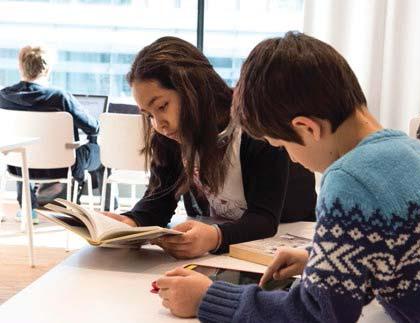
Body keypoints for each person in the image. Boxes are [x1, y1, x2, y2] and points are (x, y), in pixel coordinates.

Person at [155, 32, 420, 322]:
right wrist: (323, 258)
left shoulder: (349, 179)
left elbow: (315, 313)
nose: (287, 155)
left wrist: (207, 299)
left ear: (307, 128)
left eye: (282, 145)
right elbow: (404, 251)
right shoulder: (417, 151)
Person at [100, 36, 316, 258]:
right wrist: (131, 222)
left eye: (162, 106)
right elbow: (160, 198)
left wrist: (214, 237)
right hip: (227, 246)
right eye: (149, 115)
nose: (158, 124)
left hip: (290, 242)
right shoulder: (173, 135)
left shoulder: (254, 125)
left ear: (191, 88)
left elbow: (264, 219)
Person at [0, 45, 102, 223]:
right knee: (102, 151)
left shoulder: (4, 96)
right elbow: (93, 127)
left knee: (23, 149)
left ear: (20, 67)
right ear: (47, 69)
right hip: (63, 166)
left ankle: (27, 209)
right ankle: (109, 211)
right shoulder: (59, 98)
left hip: (19, 165)